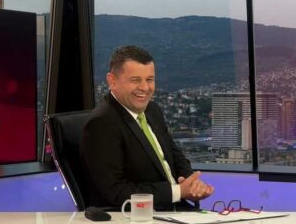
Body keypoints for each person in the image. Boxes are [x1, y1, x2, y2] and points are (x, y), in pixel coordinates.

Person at [81, 45, 214, 209]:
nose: (145, 87)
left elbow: (174, 155)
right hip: (138, 219)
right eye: (136, 80)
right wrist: (178, 192)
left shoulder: (152, 110)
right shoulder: (102, 123)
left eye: (149, 79)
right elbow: (116, 191)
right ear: (112, 81)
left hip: (176, 211)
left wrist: (192, 183)